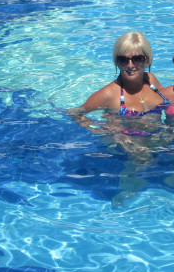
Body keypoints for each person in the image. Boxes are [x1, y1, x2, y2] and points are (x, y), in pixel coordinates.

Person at [69, 32, 168, 205]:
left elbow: (170, 103)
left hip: (156, 144)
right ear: (117, 62)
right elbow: (74, 113)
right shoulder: (110, 94)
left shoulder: (151, 80)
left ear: (147, 60)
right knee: (131, 197)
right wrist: (106, 133)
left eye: (137, 59)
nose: (130, 65)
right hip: (128, 153)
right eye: (124, 60)